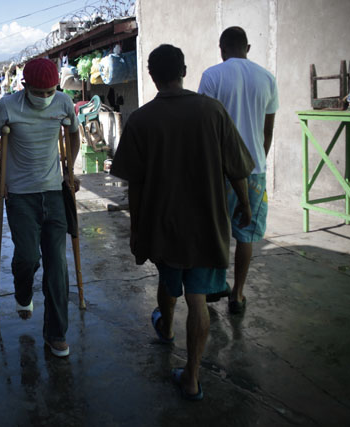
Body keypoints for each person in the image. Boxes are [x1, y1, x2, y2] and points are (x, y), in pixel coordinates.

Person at [111, 44, 254, 400]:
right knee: (199, 300)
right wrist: (247, 208)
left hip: (163, 227)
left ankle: (168, 329)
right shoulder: (212, 111)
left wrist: (136, 227)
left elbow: (136, 184)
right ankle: (191, 376)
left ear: (153, 77)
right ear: (185, 70)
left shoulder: (141, 120)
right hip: (207, 225)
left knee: (168, 280)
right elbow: (237, 169)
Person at [0, 58, 80, 357]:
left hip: (53, 193)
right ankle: (23, 293)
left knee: (57, 267)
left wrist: (70, 170)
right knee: (27, 257)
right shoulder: (7, 107)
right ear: (25, 87)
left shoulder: (63, 103)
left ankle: (56, 333)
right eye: (39, 91)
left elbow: (73, 133)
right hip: (21, 195)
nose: (45, 96)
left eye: (50, 90)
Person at [198, 26, 279, 314]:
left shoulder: (212, 76)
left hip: (218, 171)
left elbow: (204, 128)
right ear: (248, 47)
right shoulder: (268, 78)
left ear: (222, 49)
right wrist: (255, 160)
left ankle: (212, 287)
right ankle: (238, 295)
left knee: (215, 230)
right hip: (253, 170)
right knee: (246, 235)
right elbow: (267, 132)